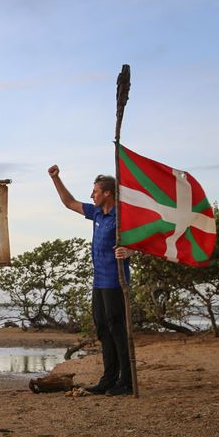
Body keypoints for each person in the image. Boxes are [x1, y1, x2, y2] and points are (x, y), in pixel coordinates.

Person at [48, 165, 135, 396]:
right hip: (99, 283)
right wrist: (56, 178)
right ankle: (109, 379)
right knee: (103, 330)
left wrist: (130, 252)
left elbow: (141, 241)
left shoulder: (123, 216)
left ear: (107, 193)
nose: (91, 195)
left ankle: (126, 382)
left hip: (117, 283)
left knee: (118, 331)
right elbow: (69, 203)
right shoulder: (96, 213)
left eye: (95, 191)